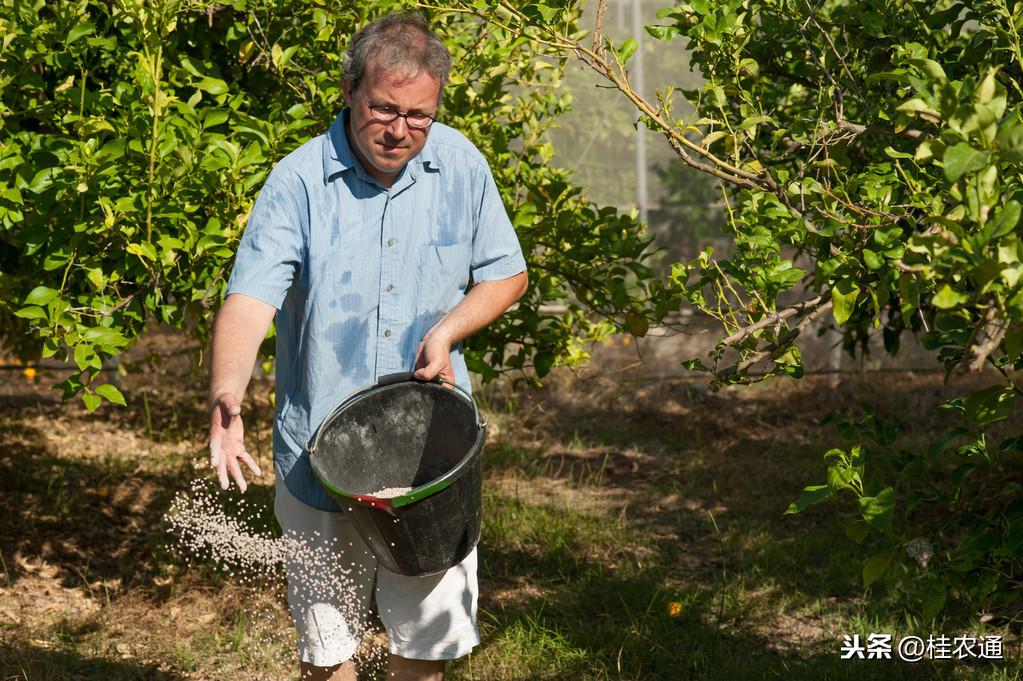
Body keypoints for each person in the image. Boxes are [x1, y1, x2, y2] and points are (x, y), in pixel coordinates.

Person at [205, 12, 528, 681]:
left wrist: (447, 330)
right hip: (318, 455)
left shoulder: (460, 164)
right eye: (384, 107)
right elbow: (250, 298)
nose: (400, 129)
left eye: (419, 115)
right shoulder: (297, 182)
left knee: (425, 644)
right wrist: (227, 393)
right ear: (350, 89)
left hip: (427, 457)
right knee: (328, 654)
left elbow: (505, 273)